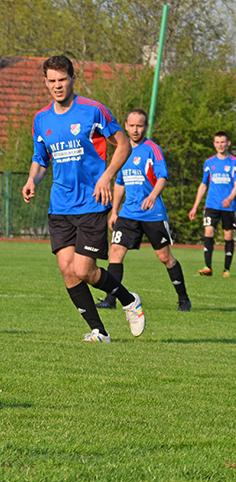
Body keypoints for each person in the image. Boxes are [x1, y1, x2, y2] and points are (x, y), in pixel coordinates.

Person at [22, 55, 145, 343]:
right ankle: (99, 331)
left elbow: (123, 144)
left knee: (84, 270)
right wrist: (32, 180)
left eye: (62, 79)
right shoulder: (41, 119)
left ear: (72, 79)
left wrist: (107, 177)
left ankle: (129, 301)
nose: (57, 86)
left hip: (91, 202)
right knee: (67, 270)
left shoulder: (93, 110)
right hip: (60, 205)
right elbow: (40, 160)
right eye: (51, 81)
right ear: (45, 82)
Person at [95, 108, 191, 312]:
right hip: (128, 213)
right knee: (115, 253)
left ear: (146, 127)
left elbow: (162, 177)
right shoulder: (122, 150)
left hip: (152, 213)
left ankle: (183, 299)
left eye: (140, 125)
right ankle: (110, 301)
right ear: (126, 126)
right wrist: (114, 211)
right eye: (131, 125)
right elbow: (119, 183)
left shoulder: (152, 149)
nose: (135, 129)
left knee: (165, 257)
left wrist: (153, 196)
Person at [188, 131, 236, 277]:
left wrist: (230, 198)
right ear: (214, 144)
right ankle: (207, 267)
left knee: (228, 236)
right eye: (217, 142)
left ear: (228, 143)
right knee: (208, 231)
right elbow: (203, 185)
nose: (220, 145)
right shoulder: (209, 163)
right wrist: (195, 206)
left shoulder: (233, 162)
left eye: (223, 142)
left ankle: (226, 269)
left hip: (229, 206)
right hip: (211, 205)